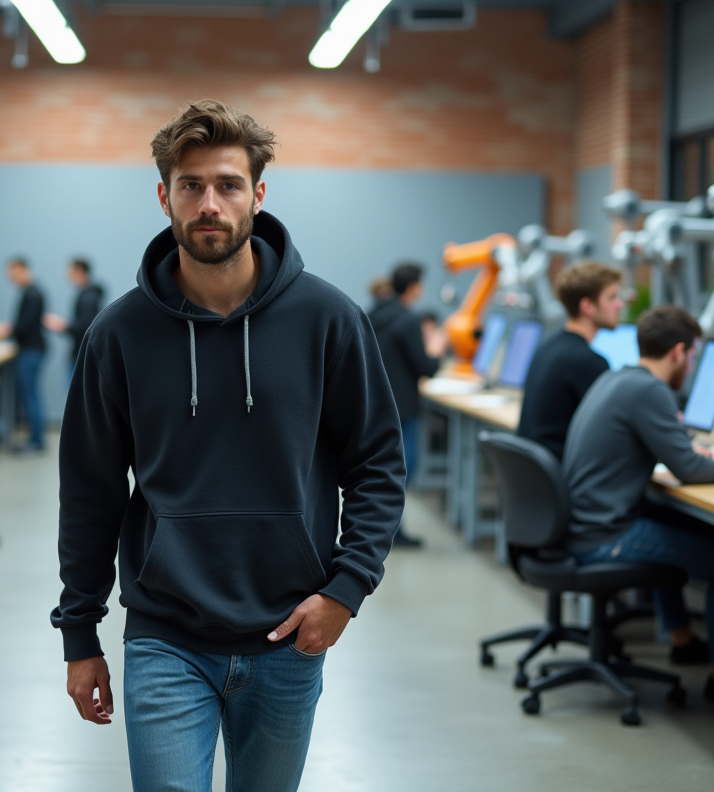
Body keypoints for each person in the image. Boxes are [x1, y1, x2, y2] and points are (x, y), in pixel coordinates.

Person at [53, 100, 405, 791]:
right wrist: (79, 634)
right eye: (190, 186)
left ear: (258, 194)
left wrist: (347, 587)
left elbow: (378, 463)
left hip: (289, 632)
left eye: (227, 184)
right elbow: (90, 490)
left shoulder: (328, 319)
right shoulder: (118, 334)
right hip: (164, 635)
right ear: (164, 197)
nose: (208, 203)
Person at [563, 305, 714, 701]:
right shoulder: (649, 389)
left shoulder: (619, 377)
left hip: (587, 521)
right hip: (604, 535)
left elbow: (668, 454)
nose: (691, 366)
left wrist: (684, 451)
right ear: (678, 352)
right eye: (693, 356)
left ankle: (681, 640)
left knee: (683, 527)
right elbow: (689, 470)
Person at [367, 263, 447, 548]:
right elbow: (425, 367)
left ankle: (385, 530)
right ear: (414, 288)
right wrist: (436, 349)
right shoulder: (407, 320)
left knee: (385, 471)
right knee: (405, 470)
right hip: (404, 408)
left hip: (377, 403)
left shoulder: (376, 313)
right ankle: (395, 533)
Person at [517, 261, 624, 459]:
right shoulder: (588, 362)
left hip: (540, 476)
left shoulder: (548, 347)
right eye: (612, 297)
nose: (620, 304)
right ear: (587, 306)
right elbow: (614, 433)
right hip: (567, 476)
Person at [0, 257, 47, 452]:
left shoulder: (31, 294)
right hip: (31, 350)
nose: (10, 277)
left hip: (30, 351)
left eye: (12, 273)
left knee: (30, 396)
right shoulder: (30, 292)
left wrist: (4, 331)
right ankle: (35, 439)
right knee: (31, 395)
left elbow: (25, 326)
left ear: (22, 269)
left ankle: (36, 441)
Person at [44, 257, 104, 381]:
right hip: (82, 354)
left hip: (81, 355)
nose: (67, 274)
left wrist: (62, 325)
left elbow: (86, 326)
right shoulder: (88, 294)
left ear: (79, 270)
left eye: (70, 270)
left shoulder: (88, 297)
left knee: (77, 396)